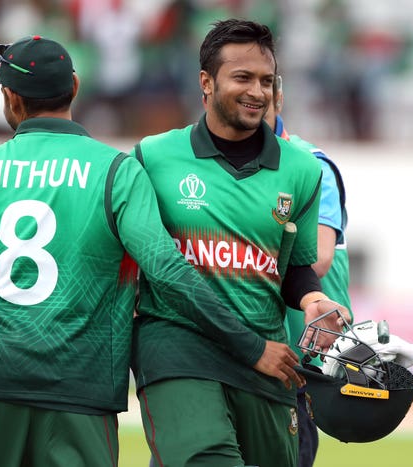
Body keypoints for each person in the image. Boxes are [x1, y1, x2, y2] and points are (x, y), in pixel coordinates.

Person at [0, 34, 308, 467]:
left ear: (11, 98)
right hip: (82, 388)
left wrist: (16, 300)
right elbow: (167, 269)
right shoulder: (118, 170)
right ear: (75, 87)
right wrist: (251, 345)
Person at [132, 19, 351, 467]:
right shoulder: (152, 157)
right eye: (243, 78)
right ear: (206, 83)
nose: (258, 91)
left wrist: (311, 298)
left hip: (268, 357)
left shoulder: (303, 170)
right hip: (178, 348)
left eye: (267, 81)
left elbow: (293, 266)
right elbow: (106, 252)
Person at [265, 75, 353, 467]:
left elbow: (317, 258)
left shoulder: (311, 165)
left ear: (278, 98)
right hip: (243, 350)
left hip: (297, 361)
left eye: (263, 90)